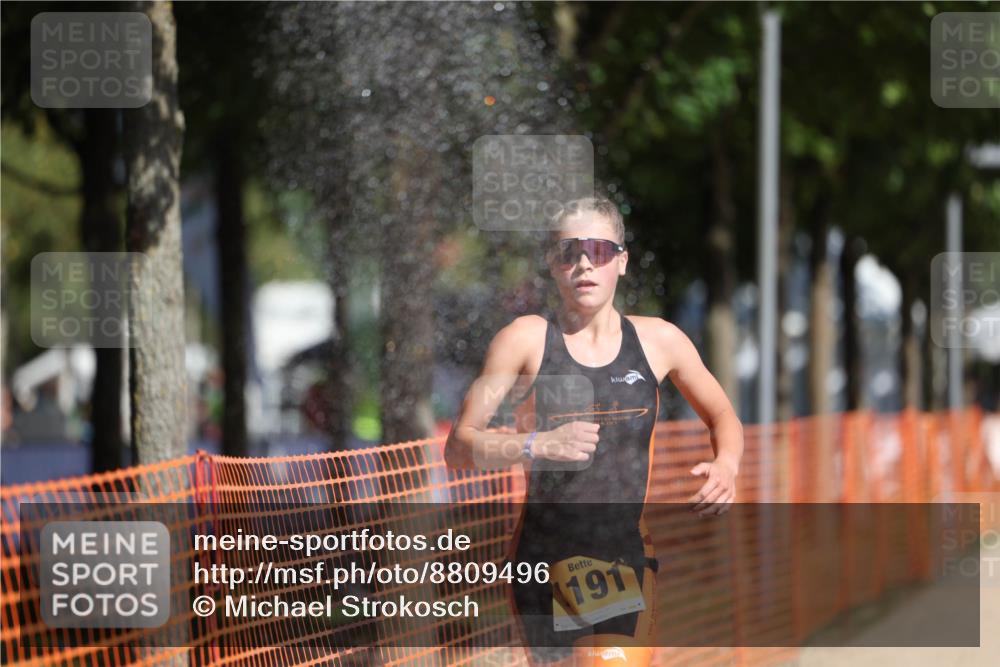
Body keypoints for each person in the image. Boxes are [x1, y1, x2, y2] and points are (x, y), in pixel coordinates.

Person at [445, 196, 744, 666]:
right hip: (540, 559)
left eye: (599, 251)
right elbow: (459, 447)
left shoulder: (659, 340)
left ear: (621, 261)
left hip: (620, 553)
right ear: (552, 263)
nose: (584, 264)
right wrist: (537, 444)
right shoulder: (523, 339)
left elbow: (723, 415)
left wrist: (727, 464)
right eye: (569, 252)